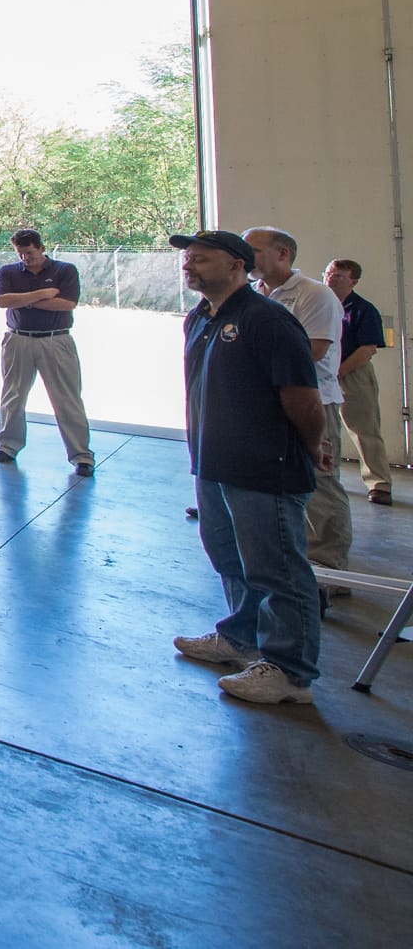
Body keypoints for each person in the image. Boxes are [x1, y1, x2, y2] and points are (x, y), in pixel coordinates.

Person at [171, 230, 326, 705]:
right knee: (228, 557)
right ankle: (240, 638)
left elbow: (302, 398)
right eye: (188, 258)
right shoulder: (200, 318)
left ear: (237, 265)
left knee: (277, 569)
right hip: (213, 462)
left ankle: (290, 672)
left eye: (201, 258)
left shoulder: (266, 320)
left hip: (263, 466)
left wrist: (308, 449)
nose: (189, 265)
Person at [244, 226, 351, 571]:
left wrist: (248, 357)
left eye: (254, 251)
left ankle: (327, 565)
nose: (245, 258)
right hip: (267, 403)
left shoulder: (315, 294)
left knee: (319, 482)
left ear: (283, 254)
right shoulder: (252, 294)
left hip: (312, 401)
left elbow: (313, 350)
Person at [0, 228, 94, 475]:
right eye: (20, 253)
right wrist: (43, 294)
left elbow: (66, 303)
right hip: (18, 339)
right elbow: (3, 301)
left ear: (42, 248)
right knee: (13, 395)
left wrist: (22, 299)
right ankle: (7, 446)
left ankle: (81, 455)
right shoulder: (8, 272)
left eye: (30, 252)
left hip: (55, 340)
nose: (25, 258)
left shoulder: (64, 271)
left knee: (67, 399)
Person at [325, 258, 394, 506]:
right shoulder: (322, 304)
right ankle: (328, 476)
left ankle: (378, 483)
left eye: (338, 276)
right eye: (328, 273)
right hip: (325, 372)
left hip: (353, 373)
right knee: (325, 430)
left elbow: (367, 349)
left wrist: (339, 372)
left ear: (353, 281)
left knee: (364, 430)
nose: (331, 279)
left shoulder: (362, 309)